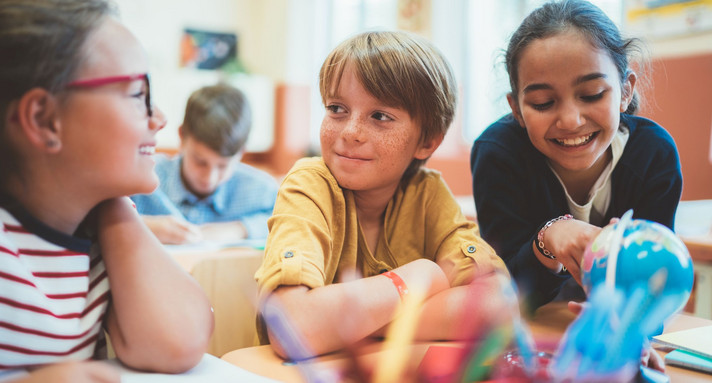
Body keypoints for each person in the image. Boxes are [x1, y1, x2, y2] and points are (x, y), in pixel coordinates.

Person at [255, 31, 509, 358]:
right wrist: (420, 277)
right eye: (337, 109)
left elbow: (498, 307)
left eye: (380, 116)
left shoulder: (427, 193)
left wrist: (341, 325)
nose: (350, 132)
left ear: (428, 141)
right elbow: (291, 328)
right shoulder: (309, 184)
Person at [0, 0, 214, 381]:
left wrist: (116, 207)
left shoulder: (97, 234)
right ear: (44, 119)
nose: (160, 117)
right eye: (137, 95)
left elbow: (179, 340)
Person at [471, 0, 682, 313]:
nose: (570, 120)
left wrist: (627, 323)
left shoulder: (653, 154)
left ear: (625, 91)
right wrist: (548, 240)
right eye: (543, 102)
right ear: (516, 109)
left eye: (592, 94)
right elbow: (504, 291)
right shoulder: (498, 154)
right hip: (529, 334)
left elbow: (656, 280)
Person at [131, 84, 278, 245]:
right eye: (200, 162)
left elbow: (290, 221)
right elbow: (100, 216)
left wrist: (241, 229)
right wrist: (144, 226)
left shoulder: (261, 191)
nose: (209, 178)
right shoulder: (142, 177)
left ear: (241, 152)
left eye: (223, 166)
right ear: (182, 137)